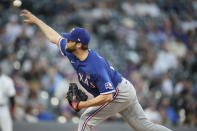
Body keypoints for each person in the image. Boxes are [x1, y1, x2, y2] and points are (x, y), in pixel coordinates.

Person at [20, 10, 172, 131]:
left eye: (71, 39)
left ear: (79, 45)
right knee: (145, 128)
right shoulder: (71, 50)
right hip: (124, 89)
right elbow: (55, 38)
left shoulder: (94, 66)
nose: (67, 41)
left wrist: (82, 105)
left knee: (86, 119)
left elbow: (108, 96)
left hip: (119, 93)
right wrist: (37, 21)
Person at [0, 66, 16, 131]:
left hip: (3, 107)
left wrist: (12, 110)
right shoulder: (8, 80)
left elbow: (12, 97)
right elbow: (12, 97)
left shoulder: (7, 80)